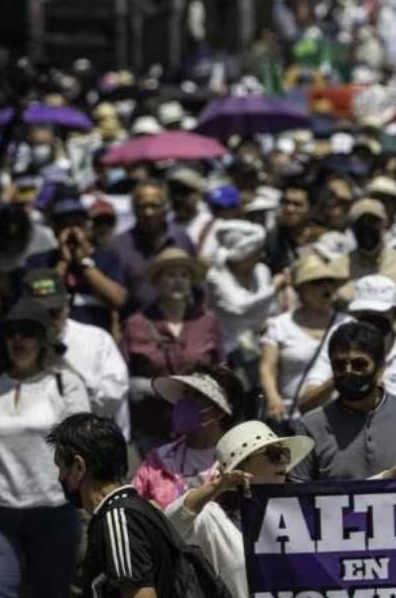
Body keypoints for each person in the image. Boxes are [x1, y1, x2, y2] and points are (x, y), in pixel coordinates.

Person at [0, 299, 90, 598]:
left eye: (28, 332)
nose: (19, 340)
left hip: (52, 511)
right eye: (12, 333)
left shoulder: (66, 384)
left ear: (43, 340)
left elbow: (85, 449)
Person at [48, 413, 201, 598]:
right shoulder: (136, 509)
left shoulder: (118, 519)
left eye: (61, 467)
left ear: (79, 467)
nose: (59, 477)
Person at [165, 421, 315, 598]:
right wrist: (216, 487)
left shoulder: (302, 511)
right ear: (242, 466)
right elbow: (170, 524)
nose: (283, 460)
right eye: (273, 454)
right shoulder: (213, 517)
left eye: (284, 453)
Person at [291, 321, 396, 481]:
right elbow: (297, 498)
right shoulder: (310, 427)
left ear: (380, 368)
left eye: (359, 364)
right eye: (339, 365)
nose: (348, 372)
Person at [121, 247, 224, 451]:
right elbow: (123, 376)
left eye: (184, 275)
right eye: (170, 275)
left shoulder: (207, 320)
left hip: (201, 426)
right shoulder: (136, 324)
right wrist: (148, 387)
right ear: (157, 282)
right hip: (154, 427)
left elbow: (222, 367)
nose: (178, 281)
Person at [23, 268, 130, 436]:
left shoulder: (97, 339)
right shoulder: (14, 345)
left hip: (97, 443)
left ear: (67, 303)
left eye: (54, 311)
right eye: (39, 312)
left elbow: (114, 394)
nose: (48, 319)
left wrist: (73, 383)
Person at [316, 275, 396, 417]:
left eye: (379, 314)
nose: (371, 321)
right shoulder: (338, 349)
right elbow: (306, 404)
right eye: (365, 314)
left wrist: (383, 402)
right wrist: (342, 378)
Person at [259, 253, 349, 424]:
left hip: (339, 417)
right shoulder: (280, 325)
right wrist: (273, 399)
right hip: (292, 417)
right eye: (317, 283)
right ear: (301, 289)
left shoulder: (347, 324)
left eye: (330, 281)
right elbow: (267, 368)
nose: (326, 288)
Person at [132, 368, 240, 509]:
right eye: (185, 393)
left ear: (219, 411)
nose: (186, 401)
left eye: (197, 395)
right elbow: (132, 506)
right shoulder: (157, 462)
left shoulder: (238, 461)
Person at [25, 190, 127, 331]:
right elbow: (39, 301)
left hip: (95, 340)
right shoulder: (39, 260)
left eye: (78, 224)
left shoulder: (107, 258)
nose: (72, 232)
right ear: (54, 229)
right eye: (65, 225)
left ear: (88, 227)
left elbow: (117, 299)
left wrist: (83, 262)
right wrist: (63, 262)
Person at [340, 197, 396, 343]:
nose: (367, 227)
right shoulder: (338, 267)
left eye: (373, 221)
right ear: (351, 227)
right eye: (361, 223)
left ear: (385, 224)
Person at [101, 181, 196, 313]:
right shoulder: (118, 246)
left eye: (154, 206)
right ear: (133, 209)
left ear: (166, 208)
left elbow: (196, 287)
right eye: (142, 206)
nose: (148, 213)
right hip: (137, 329)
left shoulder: (182, 239)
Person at [205, 219, 286, 372]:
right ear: (242, 254)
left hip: (264, 345)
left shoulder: (261, 270)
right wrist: (273, 288)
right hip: (230, 352)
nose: (262, 255)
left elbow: (271, 309)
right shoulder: (216, 277)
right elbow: (240, 306)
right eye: (256, 252)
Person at [265, 182, 315, 273]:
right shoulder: (271, 240)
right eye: (286, 202)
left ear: (311, 210)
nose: (289, 209)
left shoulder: (321, 239)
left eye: (298, 204)